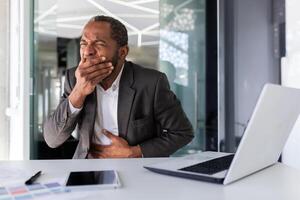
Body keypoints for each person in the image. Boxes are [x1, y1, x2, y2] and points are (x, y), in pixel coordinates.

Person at [43, 15, 194, 159]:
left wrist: (134, 152)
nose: (88, 51)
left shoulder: (151, 82)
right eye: (84, 44)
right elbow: (53, 139)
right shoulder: (74, 78)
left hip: (136, 170)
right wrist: (78, 92)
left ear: (122, 52)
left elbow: (182, 133)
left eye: (99, 44)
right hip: (87, 169)